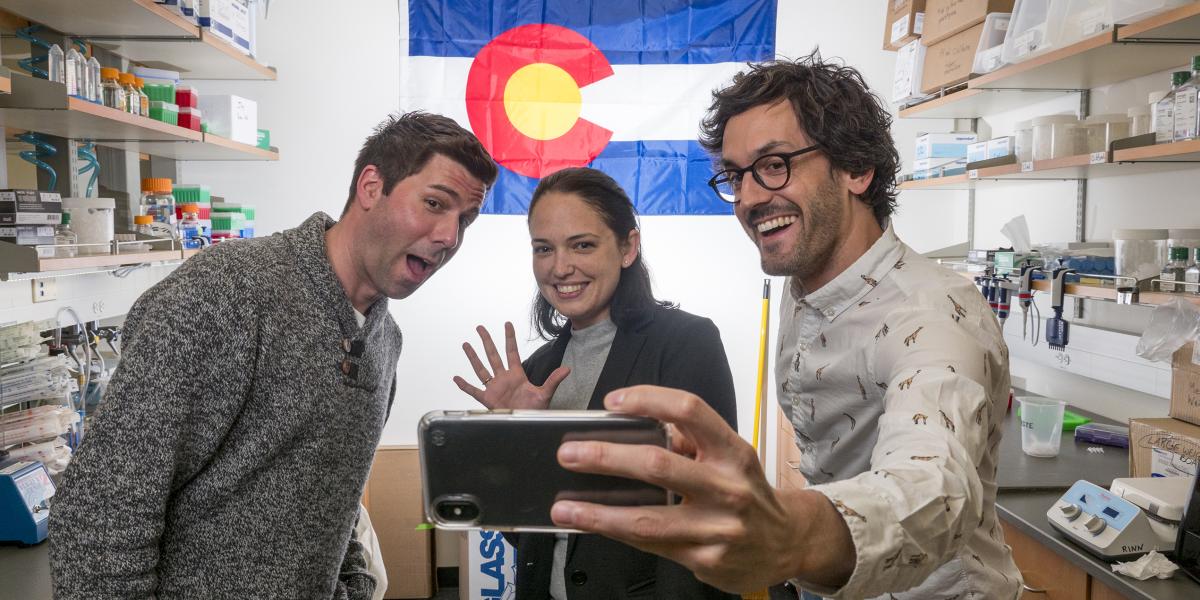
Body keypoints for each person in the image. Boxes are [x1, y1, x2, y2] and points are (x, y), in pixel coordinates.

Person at [542, 53, 1023, 599]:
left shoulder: (933, 312)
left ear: (855, 169)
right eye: (735, 175)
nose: (747, 198)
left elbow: (934, 488)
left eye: (775, 165)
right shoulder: (805, 285)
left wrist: (792, 537)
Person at [49, 111, 498, 600]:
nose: (449, 237)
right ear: (372, 186)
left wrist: (354, 585)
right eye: (435, 203)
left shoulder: (384, 339)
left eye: (464, 220)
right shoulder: (225, 293)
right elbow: (101, 512)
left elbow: (335, 500)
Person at [453, 167, 739, 600]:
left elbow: (710, 509)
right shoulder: (536, 372)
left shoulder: (684, 343)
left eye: (582, 244)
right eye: (543, 248)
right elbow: (531, 538)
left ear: (628, 247)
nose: (560, 267)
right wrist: (514, 441)